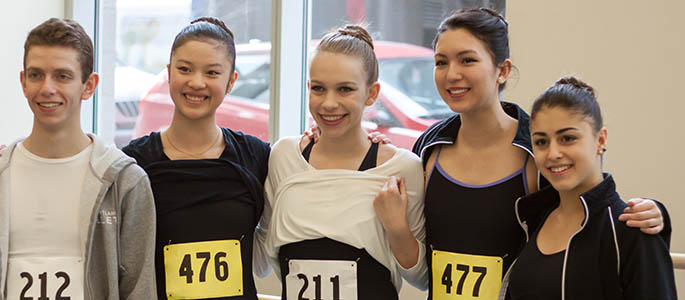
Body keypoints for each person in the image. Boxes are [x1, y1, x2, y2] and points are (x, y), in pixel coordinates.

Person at [408, 8, 669, 299]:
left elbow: (589, 206)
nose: (452, 74)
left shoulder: (538, 147)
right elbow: (418, 258)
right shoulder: (428, 147)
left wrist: (655, 213)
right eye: (440, 62)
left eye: (467, 60)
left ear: (503, 70)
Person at [255, 25, 427, 300]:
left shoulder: (403, 167)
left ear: (371, 93)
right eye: (319, 89)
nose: (329, 103)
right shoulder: (284, 156)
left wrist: (396, 227)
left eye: (345, 89)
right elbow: (262, 257)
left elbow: (421, 278)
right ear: (308, 88)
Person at [0, 18, 156, 299]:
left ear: (89, 85)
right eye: (36, 75)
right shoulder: (3, 173)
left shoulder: (126, 182)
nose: (47, 88)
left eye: (62, 76)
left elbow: (139, 290)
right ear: (23, 82)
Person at [123, 17, 270, 300]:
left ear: (231, 81)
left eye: (212, 73)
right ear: (168, 73)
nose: (196, 82)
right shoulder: (134, 162)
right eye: (184, 69)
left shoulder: (257, 156)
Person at [507, 76, 676, 299]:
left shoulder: (633, 229)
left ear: (601, 140)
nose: (553, 153)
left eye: (567, 138)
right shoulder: (532, 218)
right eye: (541, 142)